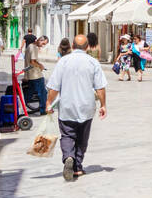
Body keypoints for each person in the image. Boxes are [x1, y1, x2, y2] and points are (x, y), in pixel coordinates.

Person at [46, 33, 107, 181]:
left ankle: (68, 156)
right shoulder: (93, 62)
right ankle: (78, 168)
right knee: (82, 138)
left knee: (67, 135)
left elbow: (54, 87)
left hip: (67, 106)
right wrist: (103, 105)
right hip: (87, 107)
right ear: (87, 47)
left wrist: (49, 103)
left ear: (73, 46)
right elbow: (100, 88)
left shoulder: (63, 61)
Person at [21, 33, 48, 114]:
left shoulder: (29, 46)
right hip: (36, 75)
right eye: (43, 43)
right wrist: (41, 66)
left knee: (30, 92)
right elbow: (33, 61)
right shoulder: (34, 48)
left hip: (30, 75)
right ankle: (43, 110)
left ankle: (24, 106)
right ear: (39, 40)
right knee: (43, 93)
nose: (43, 46)